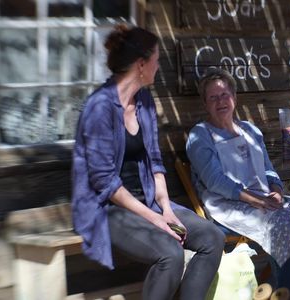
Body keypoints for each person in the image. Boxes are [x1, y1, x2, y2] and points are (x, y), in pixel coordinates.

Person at [71, 24, 225, 300]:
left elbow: (155, 160)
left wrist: (166, 210)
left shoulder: (144, 101)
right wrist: (155, 219)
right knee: (170, 253)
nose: (158, 65)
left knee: (212, 238)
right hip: (105, 209)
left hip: (149, 202)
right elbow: (105, 184)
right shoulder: (99, 108)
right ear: (141, 64)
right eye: (156, 59)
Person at [186, 68, 290, 297]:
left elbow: (269, 170)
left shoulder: (249, 130)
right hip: (229, 205)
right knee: (284, 224)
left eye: (225, 95)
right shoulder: (200, 135)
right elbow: (215, 181)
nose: (221, 101)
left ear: (234, 97)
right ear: (205, 103)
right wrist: (256, 200)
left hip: (263, 198)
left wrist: (277, 191)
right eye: (213, 97)